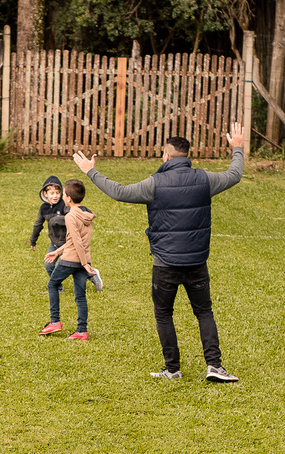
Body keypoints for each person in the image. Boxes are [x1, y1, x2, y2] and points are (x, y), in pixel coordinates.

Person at [74, 122, 245, 382]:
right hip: (197, 261)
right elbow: (234, 175)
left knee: (164, 313)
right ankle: (214, 367)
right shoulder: (205, 179)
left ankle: (173, 369)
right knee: (204, 312)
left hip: (165, 263)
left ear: (165, 155)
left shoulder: (155, 183)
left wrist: (91, 171)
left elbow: (118, 192)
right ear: (190, 156)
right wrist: (238, 148)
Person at [40, 179, 100, 341]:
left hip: (72, 260)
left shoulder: (71, 216)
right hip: (82, 258)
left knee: (52, 284)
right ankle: (81, 331)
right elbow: (74, 240)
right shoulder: (86, 213)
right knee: (80, 295)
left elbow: (76, 242)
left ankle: (55, 322)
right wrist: (57, 252)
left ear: (68, 198)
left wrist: (84, 264)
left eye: (64, 194)